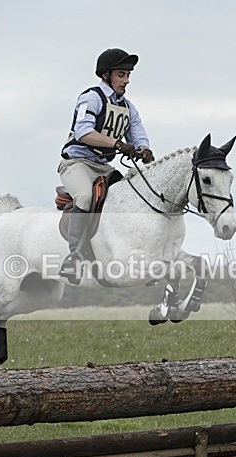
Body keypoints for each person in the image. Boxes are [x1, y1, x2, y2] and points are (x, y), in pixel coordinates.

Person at [58, 47, 155, 283]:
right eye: (121, 74)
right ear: (106, 75)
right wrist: (118, 144)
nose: (126, 80)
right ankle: (74, 256)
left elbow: (138, 134)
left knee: (130, 196)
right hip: (77, 163)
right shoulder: (91, 98)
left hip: (103, 167)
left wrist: (144, 150)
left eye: (128, 75)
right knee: (84, 197)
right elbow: (83, 132)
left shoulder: (128, 107)